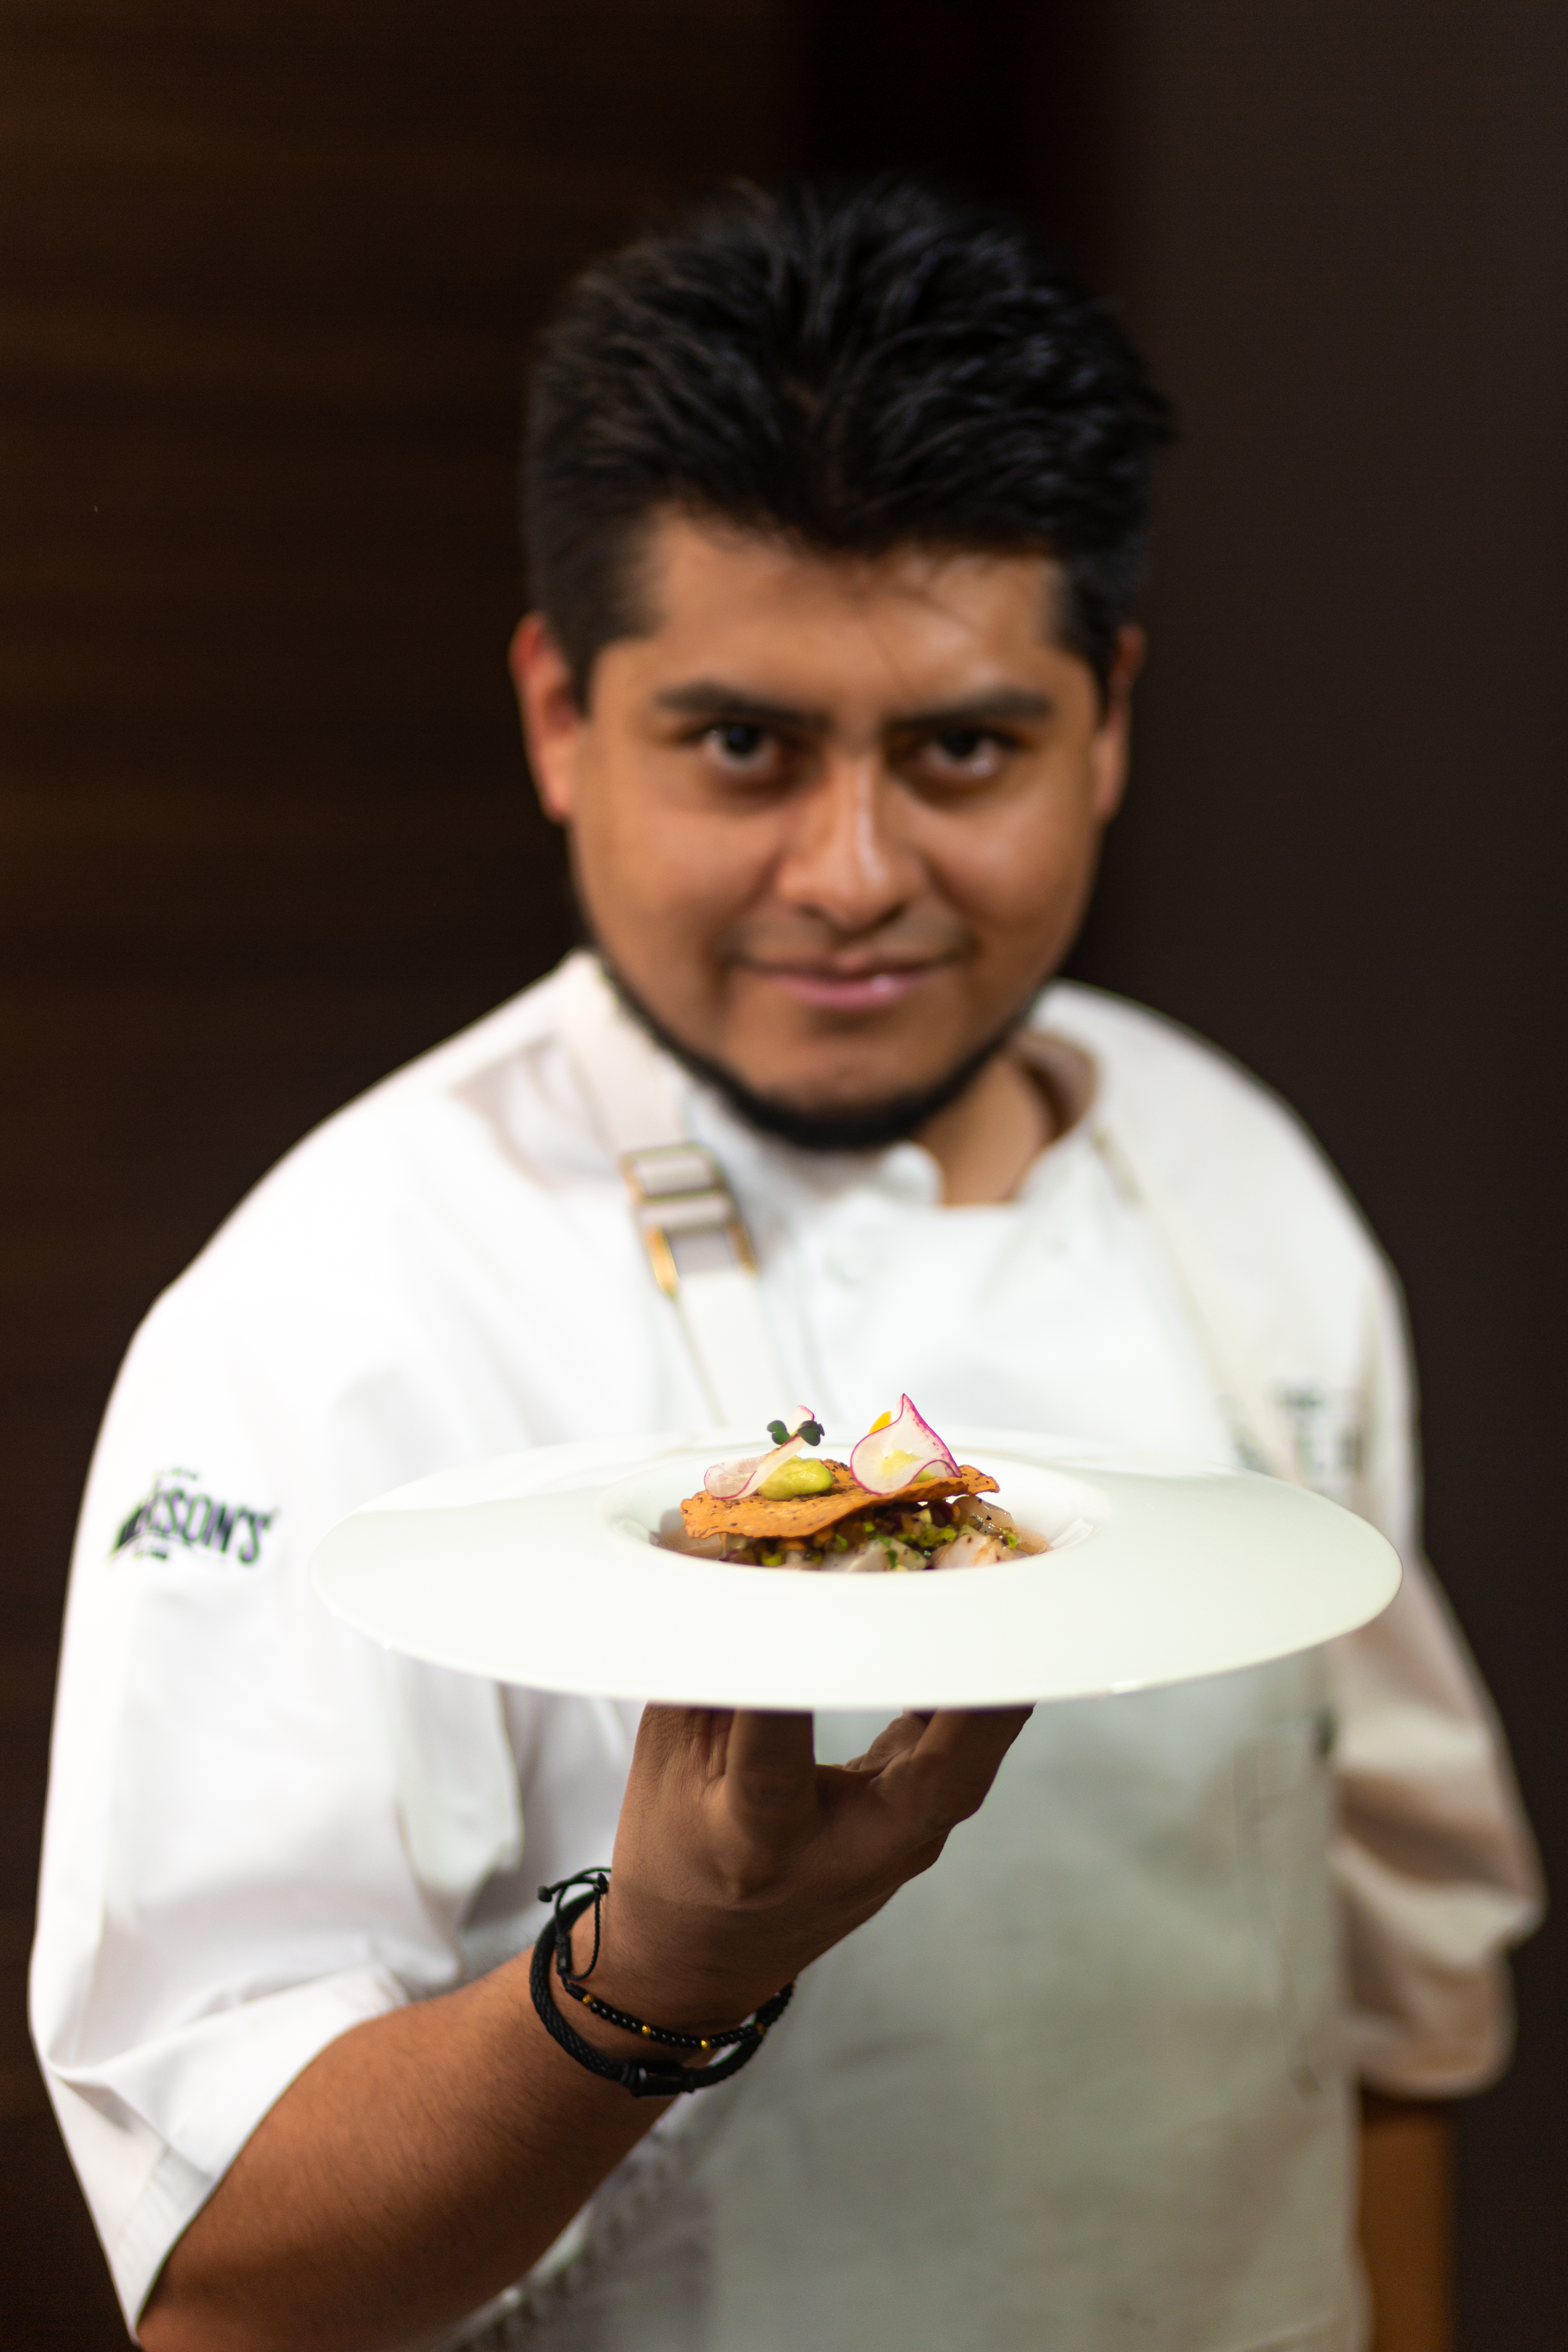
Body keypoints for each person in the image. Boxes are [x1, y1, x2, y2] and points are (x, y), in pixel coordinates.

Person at [31, 181, 1539, 2352]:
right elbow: (230, 2287)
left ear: (1105, 717)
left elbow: (1397, 1996)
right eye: (742, 744)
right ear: (564, 715)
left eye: (961, 749)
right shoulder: (333, 1307)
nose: (853, 876)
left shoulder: (1233, 1181)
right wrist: (648, 1976)